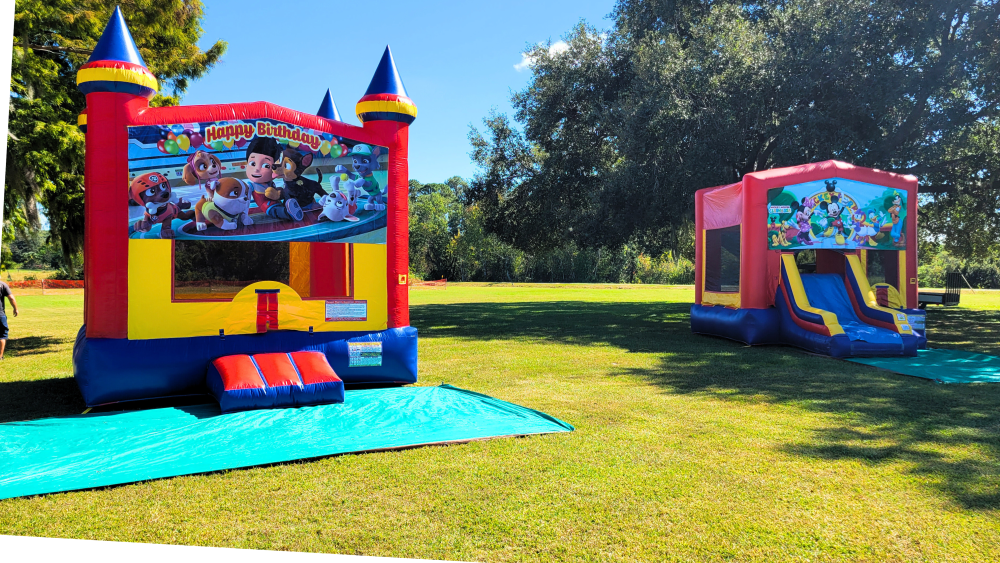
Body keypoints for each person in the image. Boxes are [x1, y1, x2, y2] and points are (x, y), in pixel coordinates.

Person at [0, 280, 19, 360]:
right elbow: (11, 298)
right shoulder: (2, 284)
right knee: (2, 335)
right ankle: (0, 356)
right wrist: (15, 309)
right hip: (0, 315)